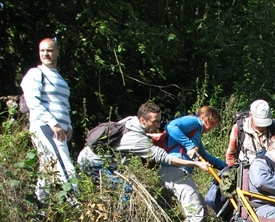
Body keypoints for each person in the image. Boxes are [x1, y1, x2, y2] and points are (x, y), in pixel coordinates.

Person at [77, 102, 210, 200]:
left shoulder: (130, 121)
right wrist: (196, 164)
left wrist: (149, 136)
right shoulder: (137, 140)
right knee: (125, 190)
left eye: (160, 121)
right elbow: (165, 158)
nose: (158, 125)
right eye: (155, 122)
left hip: (91, 157)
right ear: (142, 120)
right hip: (93, 163)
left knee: (111, 192)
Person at [20, 38, 77, 206]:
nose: (45, 54)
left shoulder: (60, 79)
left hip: (59, 130)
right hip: (45, 127)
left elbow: (64, 106)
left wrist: (69, 126)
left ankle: (40, 211)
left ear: (57, 52)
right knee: (65, 167)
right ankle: (78, 207)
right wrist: (54, 124)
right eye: (42, 50)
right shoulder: (36, 74)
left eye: (49, 50)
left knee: (47, 169)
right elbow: (33, 102)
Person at [159, 106, 227, 222]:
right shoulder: (194, 122)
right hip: (174, 170)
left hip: (181, 172)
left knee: (201, 205)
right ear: (205, 118)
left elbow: (204, 155)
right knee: (195, 208)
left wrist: (225, 166)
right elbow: (171, 126)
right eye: (213, 123)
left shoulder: (197, 133)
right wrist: (189, 145)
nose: (212, 127)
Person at [225, 99, 275, 166]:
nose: (263, 126)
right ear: (250, 115)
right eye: (260, 122)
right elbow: (230, 156)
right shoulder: (239, 128)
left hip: (274, 170)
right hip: (247, 169)